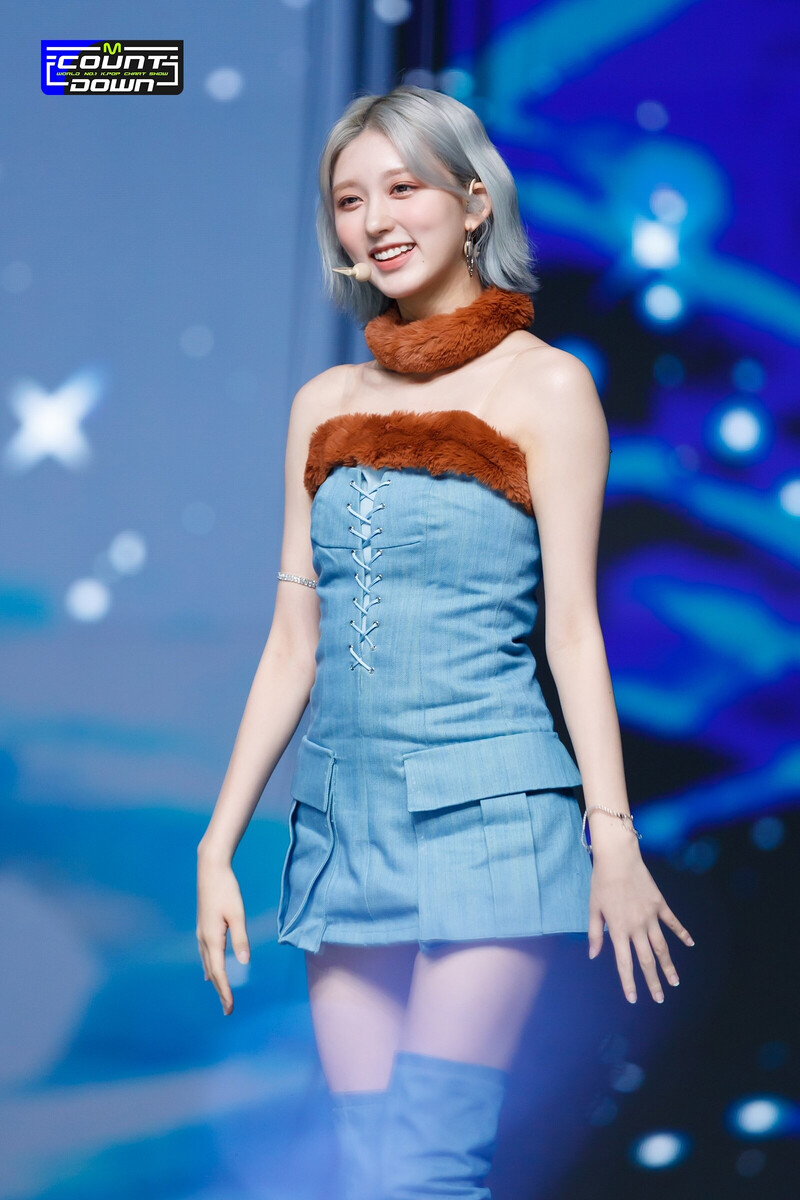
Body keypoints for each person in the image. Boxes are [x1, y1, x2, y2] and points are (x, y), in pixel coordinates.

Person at [196, 84, 695, 1200]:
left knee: (427, 1164)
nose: (375, 220)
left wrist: (610, 835)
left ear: (473, 203)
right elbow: (292, 643)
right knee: (364, 1168)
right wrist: (217, 843)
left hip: (491, 815)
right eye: (348, 200)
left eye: (402, 187)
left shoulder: (547, 386)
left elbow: (573, 630)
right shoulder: (322, 401)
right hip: (343, 821)